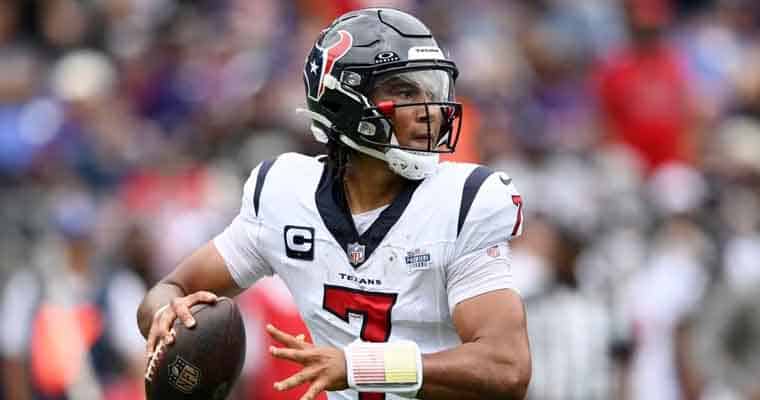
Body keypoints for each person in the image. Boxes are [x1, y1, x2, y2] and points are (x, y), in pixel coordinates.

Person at [137, 8, 531, 400]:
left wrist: (362, 367)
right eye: (406, 91)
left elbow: (506, 367)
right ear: (345, 101)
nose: (429, 111)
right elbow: (169, 289)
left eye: (431, 92)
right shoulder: (284, 193)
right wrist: (167, 315)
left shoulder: (462, 201)